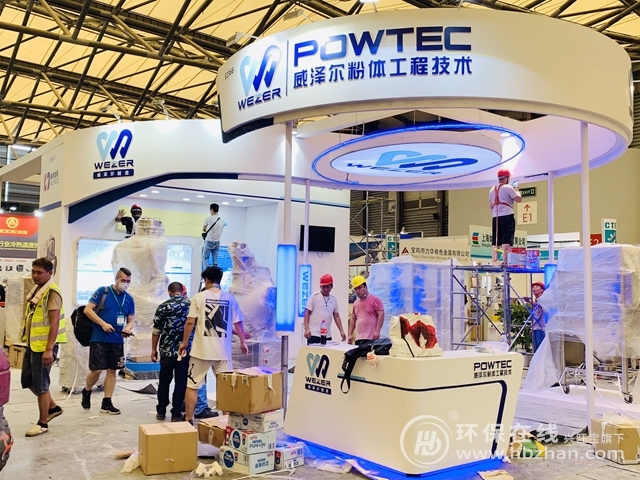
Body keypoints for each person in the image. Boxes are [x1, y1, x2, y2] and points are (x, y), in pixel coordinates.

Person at [179, 266, 248, 423]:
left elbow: (190, 321)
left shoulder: (198, 297)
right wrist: (243, 341)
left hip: (201, 351)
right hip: (223, 352)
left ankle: (188, 419)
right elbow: (238, 322)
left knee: (192, 385)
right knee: (226, 388)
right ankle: (226, 421)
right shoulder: (230, 298)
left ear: (207, 280)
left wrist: (184, 343)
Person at [21, 258, 66, 437]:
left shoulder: (52, 292)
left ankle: (43, 423)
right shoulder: (38, 291)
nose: (35, 275)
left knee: (41, 385)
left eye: (39, 272)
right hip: (33, 344)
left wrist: (49, 349)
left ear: (50, 273)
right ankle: (53, 407)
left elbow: (54, 323)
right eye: (33, 272)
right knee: (28, 381)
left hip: (43, 347)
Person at [81, 267, 135, 415]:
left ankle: (107, 402)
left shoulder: (129, 299)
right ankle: (87, 390)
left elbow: (130, 320)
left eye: (128, 281)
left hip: (117, 339)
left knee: (112, 370)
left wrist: (127, 328)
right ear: (116, 279)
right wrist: (102, 324)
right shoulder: (103, 291)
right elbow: (87, 310)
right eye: (123, 280)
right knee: (97, 369)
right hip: (99, 337)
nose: (125, 283)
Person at [151, 282, 191, 422]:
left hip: (166, 351)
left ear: (169, 292)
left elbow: (156, 331)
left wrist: (153, 349)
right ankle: (176, 413)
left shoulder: (163, 307)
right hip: (184, 351)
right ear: (182, 291)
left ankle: (161, 411)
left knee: (164, 381)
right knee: (181, 382)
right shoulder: (190, 305)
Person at [489, 169, 521, 264]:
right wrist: (517, 190)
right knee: (507, 239)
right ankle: (506, 262)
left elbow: (490, 206)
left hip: (495, 217)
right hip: (507, 215)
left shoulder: (491, 190)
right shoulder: (508, 188)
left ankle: (494, 261)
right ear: (507, 178)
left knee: (496, 240)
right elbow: (518, 199)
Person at [304, 274, 346, 344]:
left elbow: (336, 316)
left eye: (327, 287)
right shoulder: (314, 297)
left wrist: (341, 331)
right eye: (323, 287)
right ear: (320, 286)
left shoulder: (333, 299)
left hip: (327, 334)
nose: (325, 289)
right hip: (314, 334)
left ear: (331, 286)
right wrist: (306, 329)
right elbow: (306, 313)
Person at [348, 275, 384, 345]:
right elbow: (353, 319)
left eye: (360, 288)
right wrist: (350, 334)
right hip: (359, 338)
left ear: (365, 287)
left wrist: (377, 331)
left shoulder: (375, 300)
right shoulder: (356, 303)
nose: (358, 291)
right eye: (356, 289)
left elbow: (381, 314)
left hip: (371, 338)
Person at [202, 203, 225, 270]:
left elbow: (203, 229)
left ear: (211, 210)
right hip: (217, 241)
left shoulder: (208, 219)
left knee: (205, 258)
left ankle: (207, 272)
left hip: (209, 241)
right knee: (215, 259)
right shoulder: (222, 221)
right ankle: (215, 272)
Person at [530, 281, 546, 352]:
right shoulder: (535, 301)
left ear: (542, 290)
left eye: (536, 287)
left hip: (541, 328)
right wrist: (532, 328)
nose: (534, 288)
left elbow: (540, 305)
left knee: (540, 350)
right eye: (533, 287)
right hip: (535, 328)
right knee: (536, 349)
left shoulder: (543, 299)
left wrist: (529, 302)